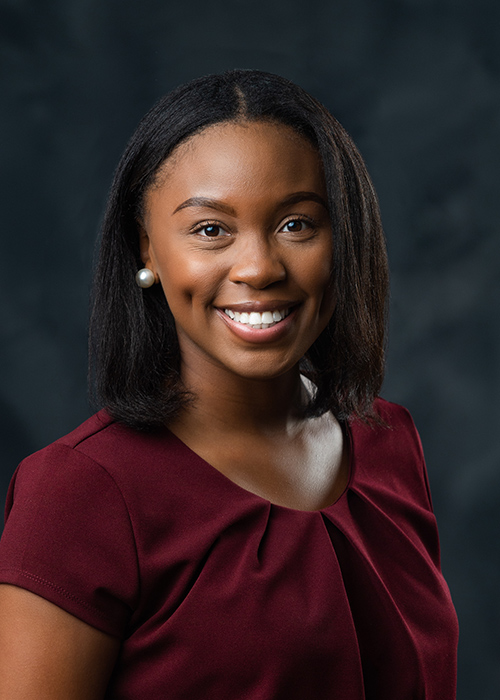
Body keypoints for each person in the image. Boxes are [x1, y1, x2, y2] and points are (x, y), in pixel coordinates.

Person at [0, 69, 458, 699]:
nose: (260, 267)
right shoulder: (82, 493)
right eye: (211, 230)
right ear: (148, 252)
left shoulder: (390, 440)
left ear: (342, 236)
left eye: (297, 224)